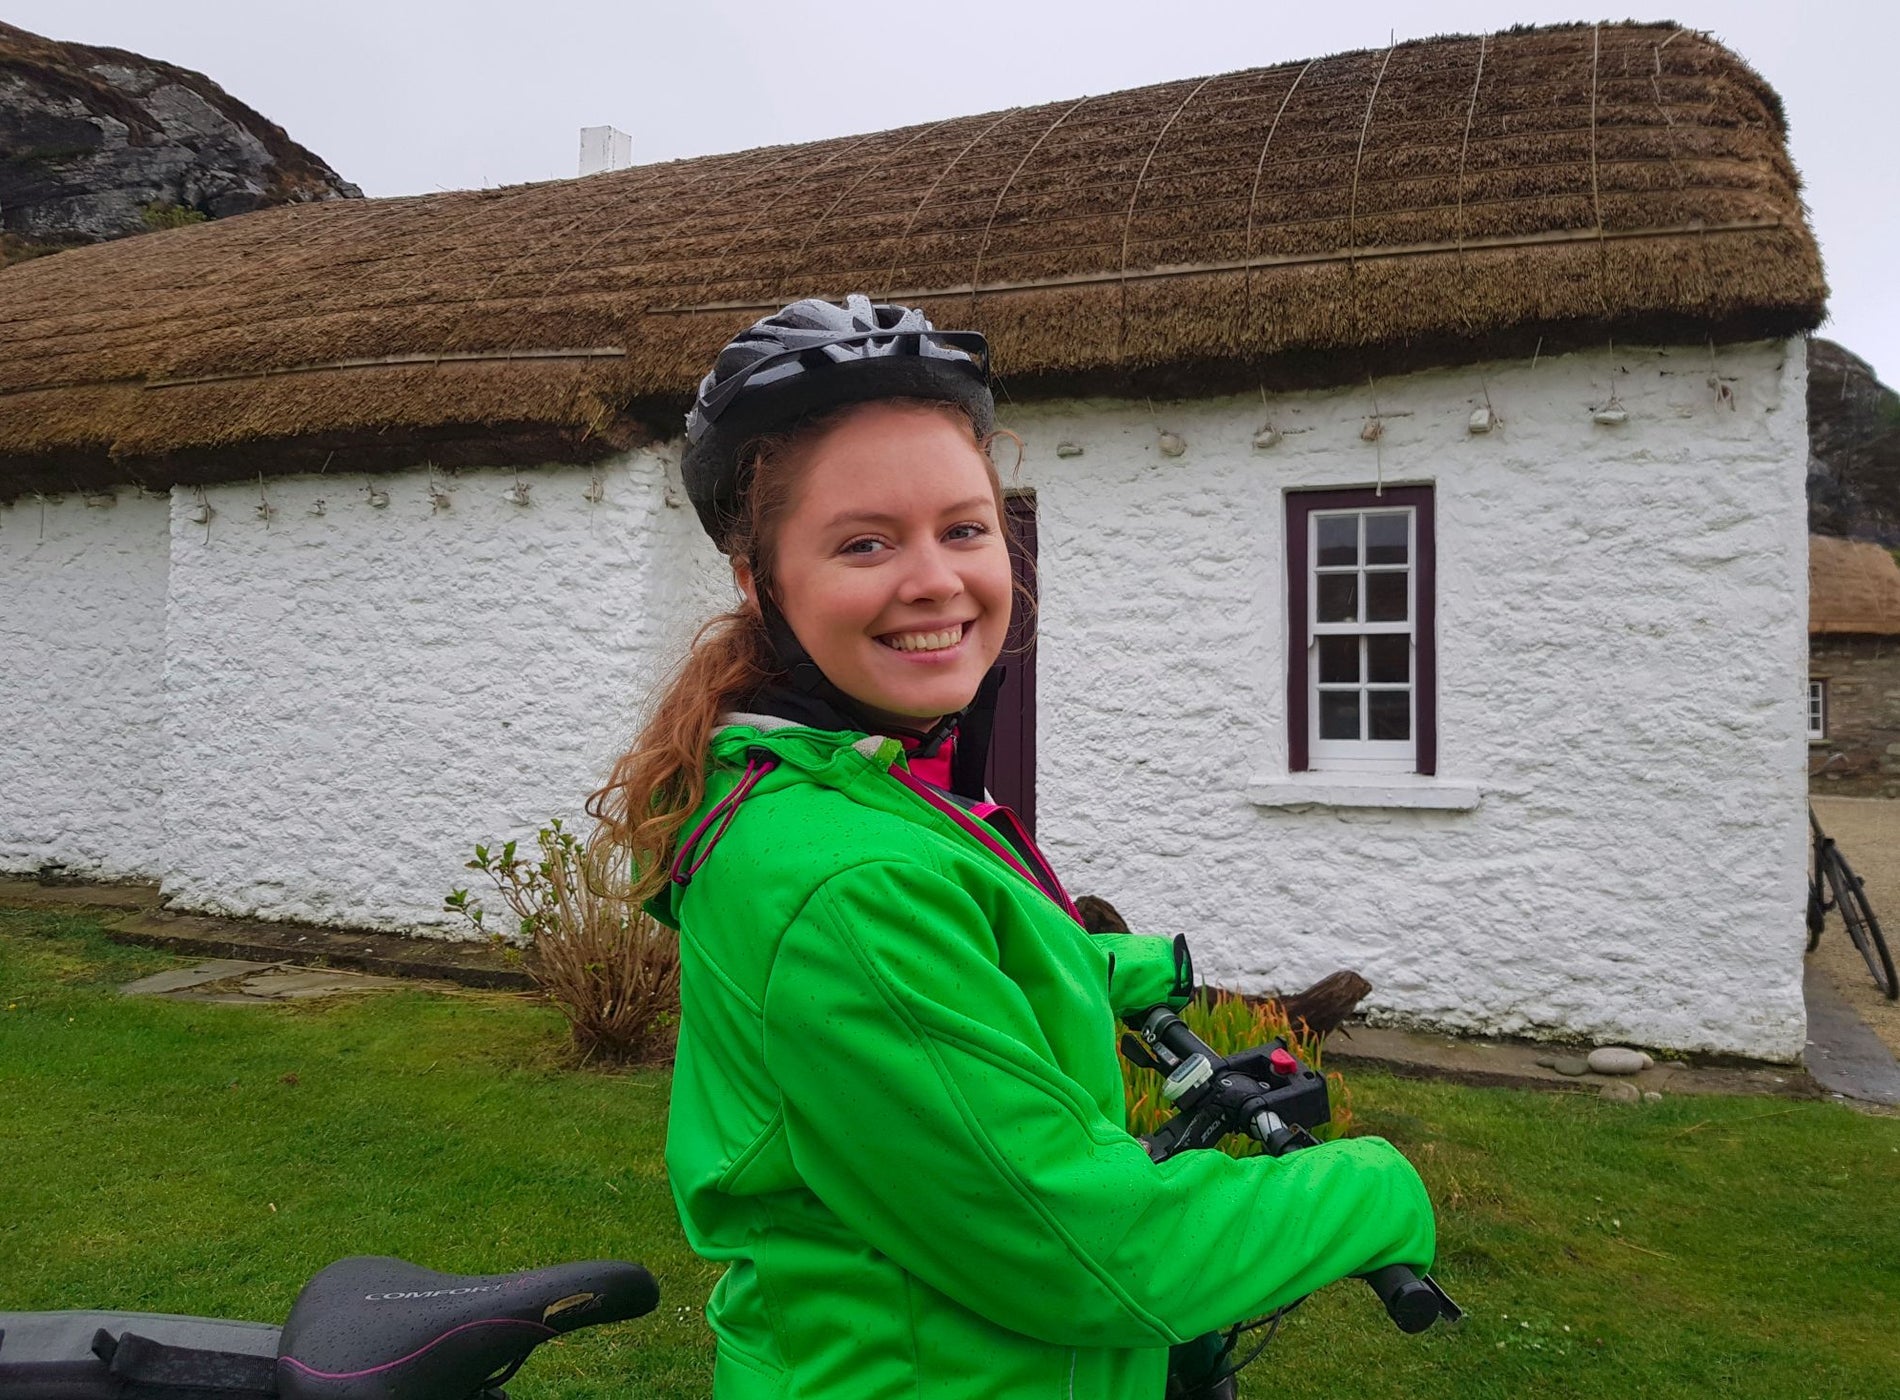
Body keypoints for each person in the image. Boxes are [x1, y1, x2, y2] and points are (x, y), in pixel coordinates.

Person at [588, 295, 1437, 1399]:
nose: (935, 577)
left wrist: (1123, 969)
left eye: (964, 527)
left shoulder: (838, 782)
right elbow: (1087, 1247)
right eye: (864, 542)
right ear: (761, 582)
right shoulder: (845, 880)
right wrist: (1376, 1187)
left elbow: (962, 948)